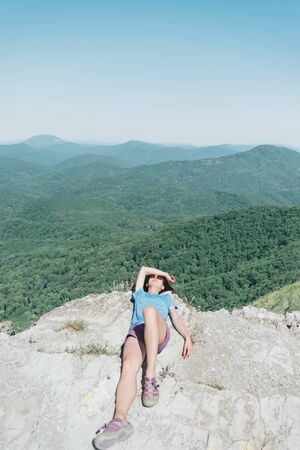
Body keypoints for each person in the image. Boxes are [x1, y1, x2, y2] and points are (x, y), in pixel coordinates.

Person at [92, 266, 192, 450]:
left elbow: (176, 319)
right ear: (146, 282)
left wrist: (187, 337)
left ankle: (150, 378)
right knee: (129, 366)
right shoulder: (139, 294)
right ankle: (119, 421)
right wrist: (163, 274)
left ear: (163, 287)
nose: (155, 278)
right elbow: (143, 269)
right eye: (152, 277)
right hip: (138, 331)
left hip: (158, 330)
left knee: (150, 312)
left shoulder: (165, 298)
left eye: (159, 278)